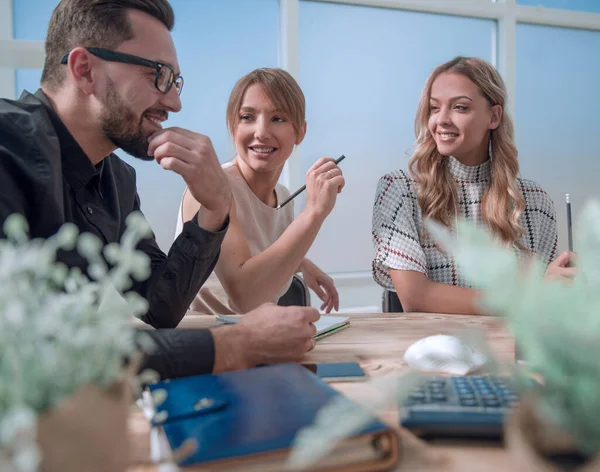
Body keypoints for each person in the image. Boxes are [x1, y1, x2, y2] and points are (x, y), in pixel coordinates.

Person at [0, 0, 319, 379]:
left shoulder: (115, 178)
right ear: (84, 70)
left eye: (175, 81)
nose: (174, 102)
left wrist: (215, 209)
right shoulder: (8, 148)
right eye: (158, 75)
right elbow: (31, 349)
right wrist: (237, 345)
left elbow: (158, 306)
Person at [372, 56, 575, 315]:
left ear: (494, 116)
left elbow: (544, 308)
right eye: (434, 108)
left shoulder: (535, 201)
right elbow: (416, 297)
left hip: (512, 354)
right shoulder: (399, 191)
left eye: (460, 107)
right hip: (433, 351)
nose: (441, 120)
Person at [176, 68, 344, 315]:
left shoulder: (284, 196)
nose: (262, 132)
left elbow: (256, 248)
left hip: (257, 341)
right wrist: (314, 212)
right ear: (233, 127)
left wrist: (301, 263)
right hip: (202, 344)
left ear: (300, 132)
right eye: (247, 117)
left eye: (278, 118)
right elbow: (246, 298)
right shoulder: (211, 190)